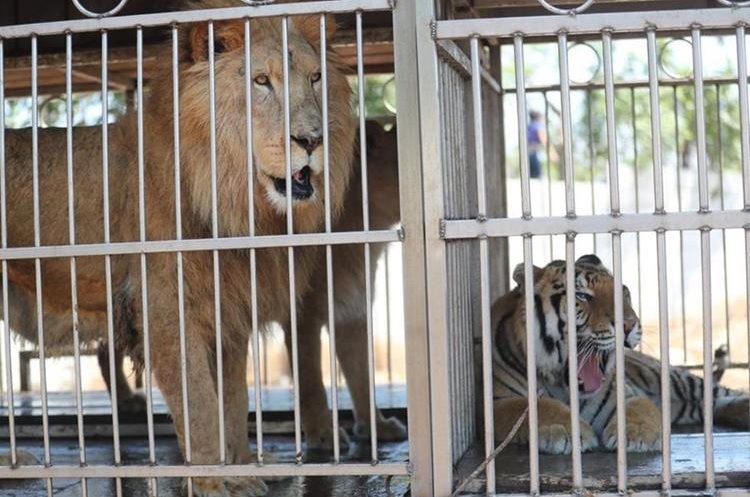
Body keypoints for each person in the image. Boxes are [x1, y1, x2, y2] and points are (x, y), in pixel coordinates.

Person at [527, 110, 546, 179]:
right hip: (534, 151)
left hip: (528, 151)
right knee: (537, 175)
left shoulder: (529, 126)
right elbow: (542, 137)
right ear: (538, 118)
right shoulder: (537, 125)